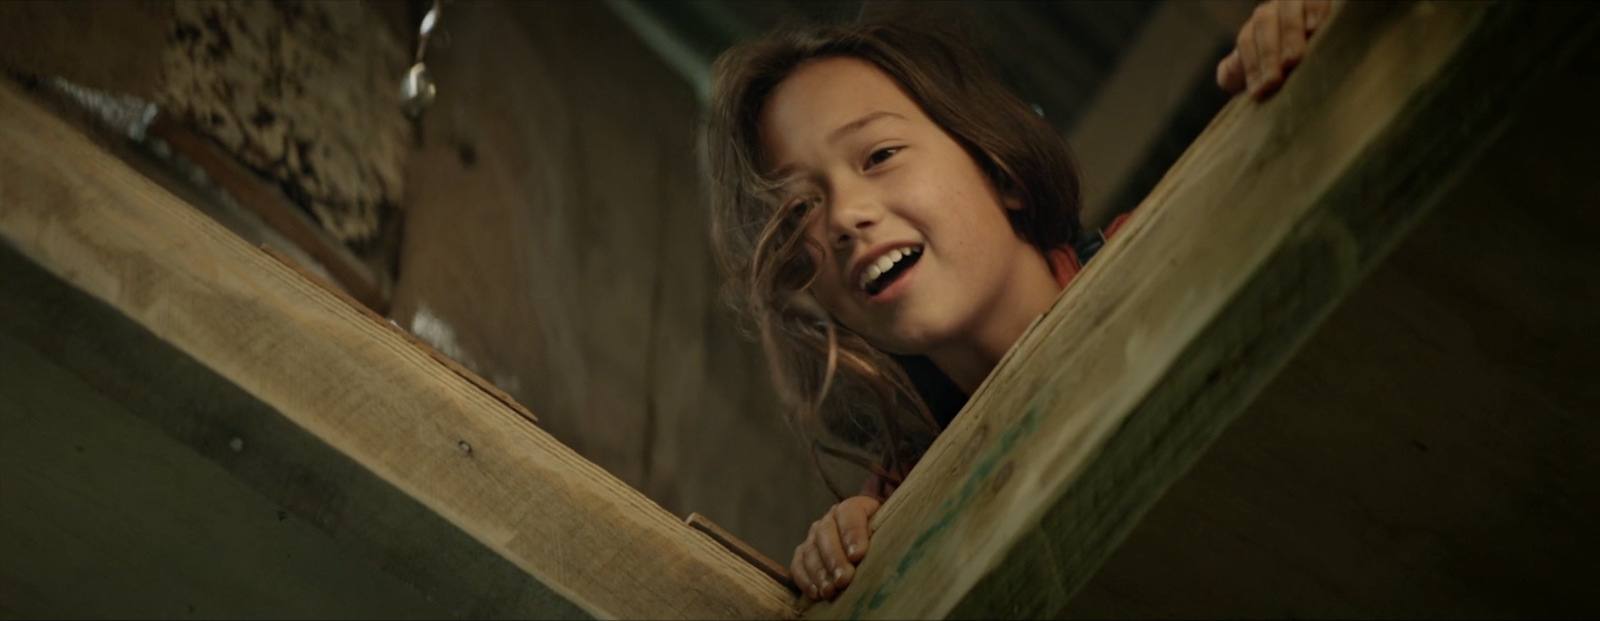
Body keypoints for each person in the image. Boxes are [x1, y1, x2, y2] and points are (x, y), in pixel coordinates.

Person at [705, 0, 1330, 602]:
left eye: (879, 155)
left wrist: (1314, 49)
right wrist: (854, 553)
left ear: (997, 167)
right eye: (798, 209)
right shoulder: (893, 501)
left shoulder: (1181, 234)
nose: (844, 216)